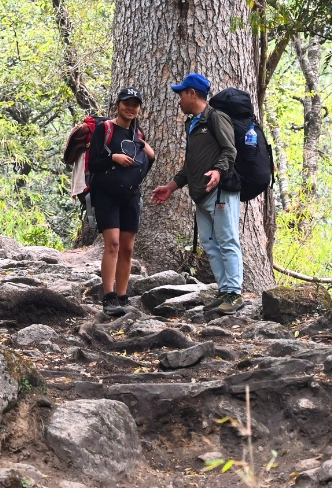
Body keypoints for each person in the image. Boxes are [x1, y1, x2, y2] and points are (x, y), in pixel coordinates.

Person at [150, 72, 243, 315]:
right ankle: (224, 291)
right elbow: (191, 165)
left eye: (181, 93)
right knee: (210, 244)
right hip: (201, 195)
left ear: (192, 93)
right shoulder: (192, 123)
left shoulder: (216, 118)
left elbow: (230, 151)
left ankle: (234, 293)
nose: (179, 99)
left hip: (220, 191)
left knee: (227, 240)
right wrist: (171, 187)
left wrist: (218, 172)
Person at [87, 88, 156, 316]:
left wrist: (146, 149)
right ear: (118, 104)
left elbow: (146, 162)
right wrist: (112, 158)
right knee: (113, 244)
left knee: (127, 248)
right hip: (106, 194)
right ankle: (108, 297)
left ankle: (123, 296)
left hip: (131, 195)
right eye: (127, 103)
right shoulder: (104, 130)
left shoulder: (139, 135)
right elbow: (93, 164)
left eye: (135, 104)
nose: (131, 108)